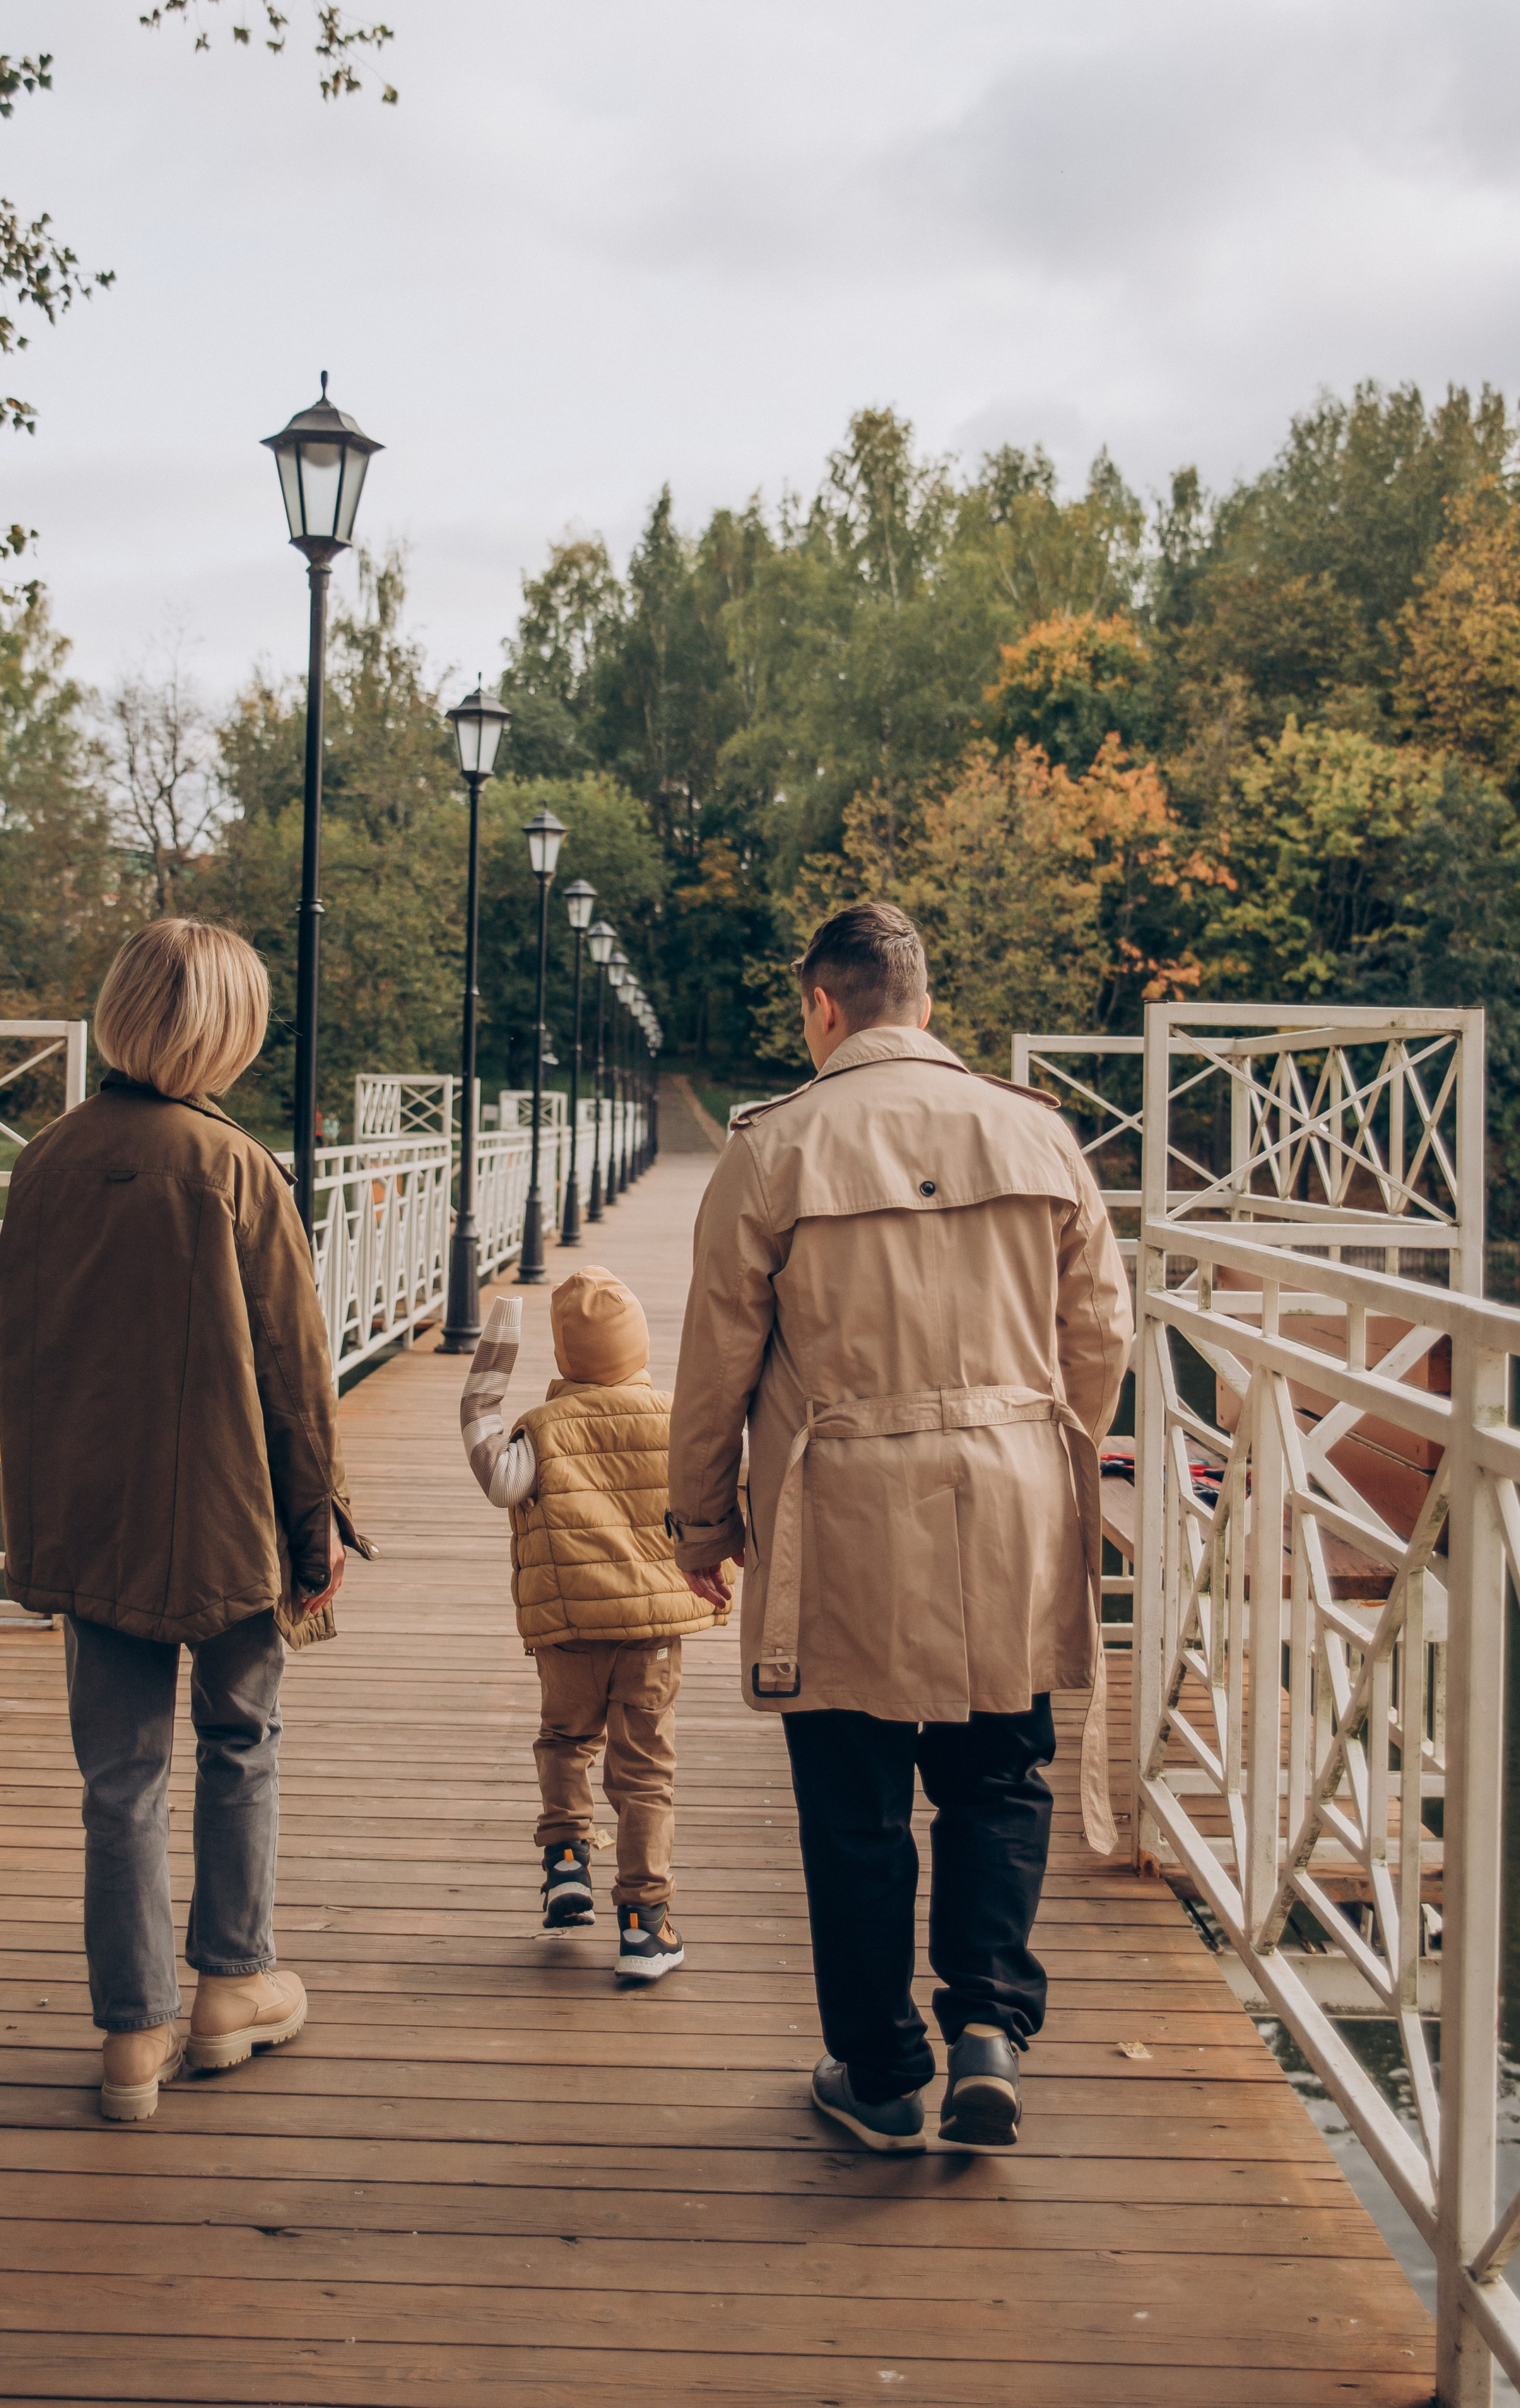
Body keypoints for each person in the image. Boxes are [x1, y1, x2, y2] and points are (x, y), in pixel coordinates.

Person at [666, 900, 1131, 2154]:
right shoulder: (1040, 1135)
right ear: (926, 1003)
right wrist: (1040, 1444)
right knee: (1000, 1770)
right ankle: (989, 2026)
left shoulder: (774, 1148)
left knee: (856, 1801)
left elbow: (717, 1360)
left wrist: (702, 1524)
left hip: (841, 1508)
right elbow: (1103, 1337)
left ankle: (880, 2074)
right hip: (1010, 1498)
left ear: (824, 1008)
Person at [0, 918, 356, 2121]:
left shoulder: (42, 1161)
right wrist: (318, 1530)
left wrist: (38, 1523)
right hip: (225, 1518)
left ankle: (129, 2034)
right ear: (226, 1027)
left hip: (94, 1519)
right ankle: (230, 1988)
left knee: (120, 1779)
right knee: (240, 1740)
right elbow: (296, 1375)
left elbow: (27, 1364)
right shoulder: (235, 1168)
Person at [459, 1265, 727, 1983]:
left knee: (564, 1738)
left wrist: (493, 1358)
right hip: (652, 1638)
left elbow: (496, 1476)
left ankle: (567, 1855)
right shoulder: (673, 1419)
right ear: (638, 1349)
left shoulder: (540, 1432)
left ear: (565, 1356)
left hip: (570, 1633)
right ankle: (644, 1926)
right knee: (644, 1777)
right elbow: (716, 1496)